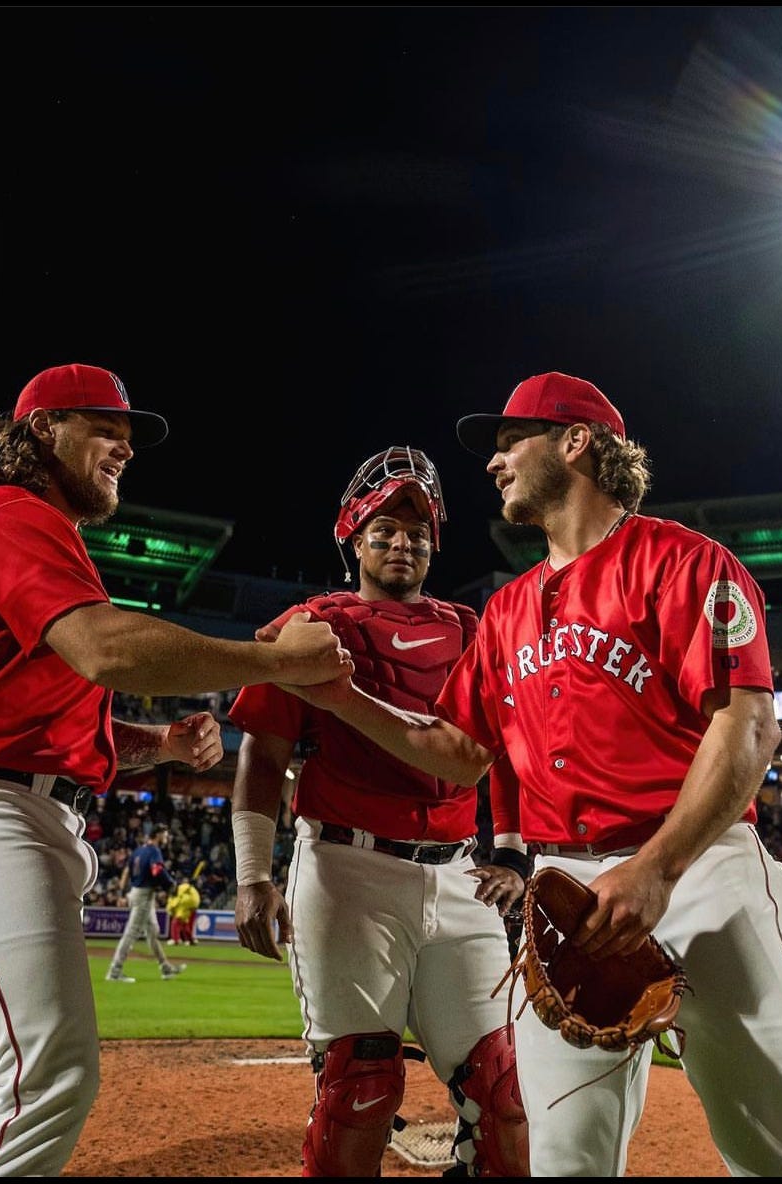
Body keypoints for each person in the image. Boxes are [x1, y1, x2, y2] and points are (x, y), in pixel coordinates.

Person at [274, 373, 782, 1177]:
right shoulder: (507, 610)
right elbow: (459, 749)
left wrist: (657, 868)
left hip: (702, 871)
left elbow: (748, 726)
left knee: (769, 1147)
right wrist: (344, 699)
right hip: (568, 886)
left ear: (576, 442)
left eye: (511, 441)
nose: (495, 462)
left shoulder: (684, 563)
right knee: (561, 1157)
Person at [0, 362, 353, 1177]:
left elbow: (45, 724)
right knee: (48, 1078)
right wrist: (272, 661)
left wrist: (159, 746)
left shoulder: (24, 527)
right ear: (39, 432)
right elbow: (106, 648)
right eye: (104, 429)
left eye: (129, 438)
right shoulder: (13, 514)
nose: (125, 448)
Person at [228, 445, 530, 1177]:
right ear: (352, 539)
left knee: (505, 1087)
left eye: (418, 532)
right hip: (346, 866)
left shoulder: (470, 625)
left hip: (458, 872)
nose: (404, 543)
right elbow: (262, 757)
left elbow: (510, 748)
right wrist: (250, 874)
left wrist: (515, 854)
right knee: (360, 1085)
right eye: (385, 531)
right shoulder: (311, 622)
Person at [107, 822, 185, 980]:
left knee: (152, 933)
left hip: (137, 893)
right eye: (165, 834)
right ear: (158, 834)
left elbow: (127, 872)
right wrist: (170, 884)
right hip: (143, 895)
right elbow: (157, 870)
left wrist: (122, 893)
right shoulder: (154, 850)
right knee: (131, 933)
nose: (167, 837)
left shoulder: (138, 851)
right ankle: (115, 971)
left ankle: (165, 967)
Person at [166, 871, 201, 945]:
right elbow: (170, 907)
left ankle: (176, 940)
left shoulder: (183, 888)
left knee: (175, 923)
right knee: (185, 926)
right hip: (185, 908)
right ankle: (190, 940)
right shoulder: (174, 895)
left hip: (185, 908)